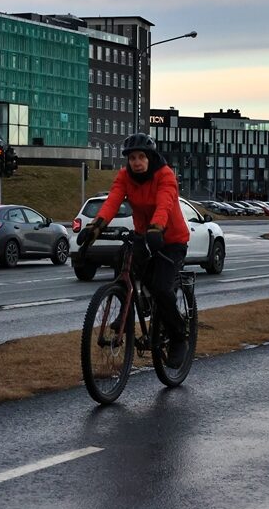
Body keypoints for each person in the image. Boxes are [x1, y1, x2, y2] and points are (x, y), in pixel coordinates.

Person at [76, 133, 191, 368]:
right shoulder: (125, 177)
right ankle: (126, 311)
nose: (136, 162)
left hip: (170, 239)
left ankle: (179, 337)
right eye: (132, 158)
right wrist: (95, 227)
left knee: (161, 287)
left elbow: (165, 204)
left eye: (141, 157)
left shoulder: (165, 175)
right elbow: (112, 201)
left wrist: (157, 227)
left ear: (150, 157)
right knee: (123, 260)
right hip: (144, 235)